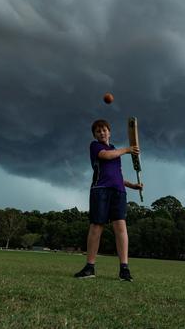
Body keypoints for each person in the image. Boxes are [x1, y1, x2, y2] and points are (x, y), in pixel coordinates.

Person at [74, 119, 143, 282]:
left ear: (109, 132)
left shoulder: (115, 150)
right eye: (98, 131)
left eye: (104, 130)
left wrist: (133, 185)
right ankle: (90, 267)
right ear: (95, 135)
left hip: (118, 191)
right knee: (97, 226)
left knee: (121, 227)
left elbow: (117, 174)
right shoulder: (96, 146)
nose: (102, 133)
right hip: (100, 190)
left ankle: (124, 269)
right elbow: (105, 156)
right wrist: (127, 149)